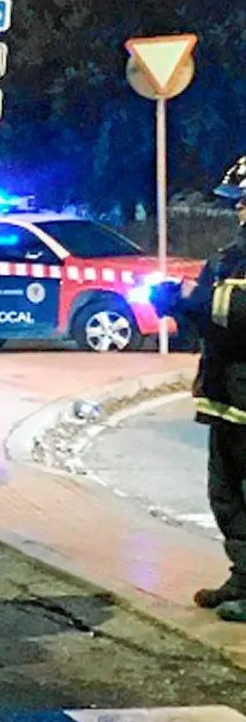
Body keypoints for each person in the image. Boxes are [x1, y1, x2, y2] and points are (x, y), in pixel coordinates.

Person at [162, 155, 246, 621]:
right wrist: (176, 304)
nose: (239, 212)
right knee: (225, 493)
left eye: (243, 203)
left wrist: (206, 303)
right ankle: (243, 576)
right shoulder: (230, 257)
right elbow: (209, 319)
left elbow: (236, 315)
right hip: (227, 396)